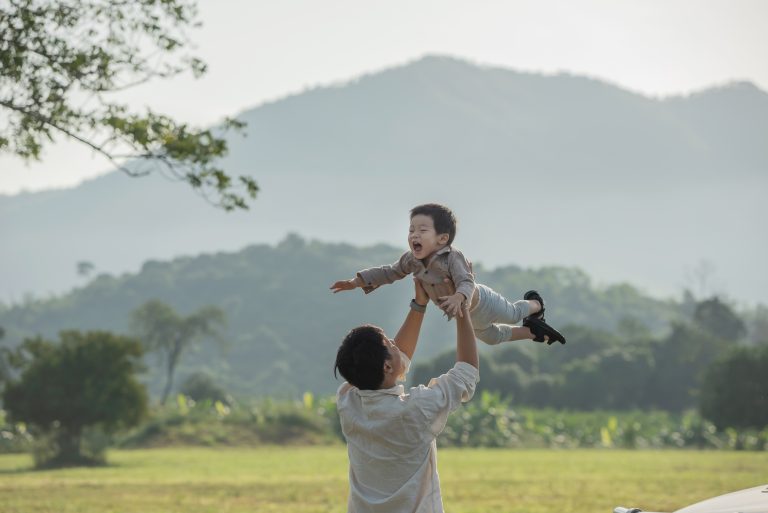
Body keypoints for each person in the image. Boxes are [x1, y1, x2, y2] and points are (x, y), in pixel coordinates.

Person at [334, 279, 479, 513]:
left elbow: (394, 362)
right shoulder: (416, 410)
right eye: (389, 343)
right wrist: (461, 304)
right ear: (386, 367)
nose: (395, 343)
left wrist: (419, 304)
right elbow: (467, 373)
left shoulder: (348, 402)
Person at [331, 203, 565, 345]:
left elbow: (466, 281)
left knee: (513, 314)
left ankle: (535, 304)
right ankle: (534, 332)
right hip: (465, 316)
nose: (414, 235)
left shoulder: (452, 257)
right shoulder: (411, 260)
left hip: (481, 302)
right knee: (492, 338)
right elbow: (390, 272)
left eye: (422, 230)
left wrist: (458, 297)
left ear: (442, 239)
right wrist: (356, 281)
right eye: (411, 229)